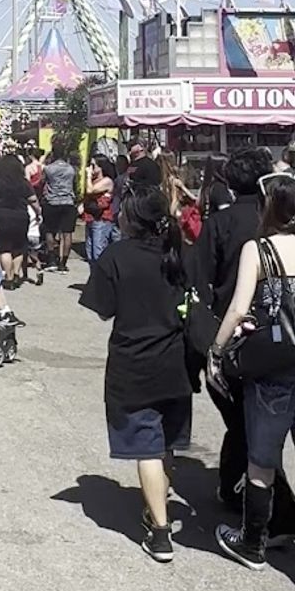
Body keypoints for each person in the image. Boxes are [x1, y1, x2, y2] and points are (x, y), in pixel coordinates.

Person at [81, 183, 192, 564]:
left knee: (146, 444)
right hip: (175, 360)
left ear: (131, 217)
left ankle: (160, 532)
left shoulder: (116, 255)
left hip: (133, 362)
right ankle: (157, 503)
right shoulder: (177, 252)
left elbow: (102, 309)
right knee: (166, 441)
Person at [189, 146, 295, 540]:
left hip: (253, 346)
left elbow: (220, 298)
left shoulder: (241, 235)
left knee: (258, 440)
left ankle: (264, 526)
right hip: (284, 345)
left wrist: (212, 351)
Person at [0, 152, 33, 289]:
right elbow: (33, 199)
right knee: (18, 248)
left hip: (0, 216)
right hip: (21, 217)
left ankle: (8, 278)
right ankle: (16, 274)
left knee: (5, 249)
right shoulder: (23, 182)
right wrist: (39, 212)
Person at [42, 139, 78, 272]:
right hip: (68, 201)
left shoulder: (48, 169)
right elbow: (75, 185)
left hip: (52, 201)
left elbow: (42, 183)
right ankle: (63, 263)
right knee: (67, 233)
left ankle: (51, 259)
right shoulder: (71, 169)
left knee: (50, 230)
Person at [83, 155, 117, 264]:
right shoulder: (93, 180)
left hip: (101, 220)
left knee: (98, 252)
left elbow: (90, 190)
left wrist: (88, 176)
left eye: (93, 165)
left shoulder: (107, 181)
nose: (91, 168)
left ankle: (101, 278)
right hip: (90, 218)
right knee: (89, 252)